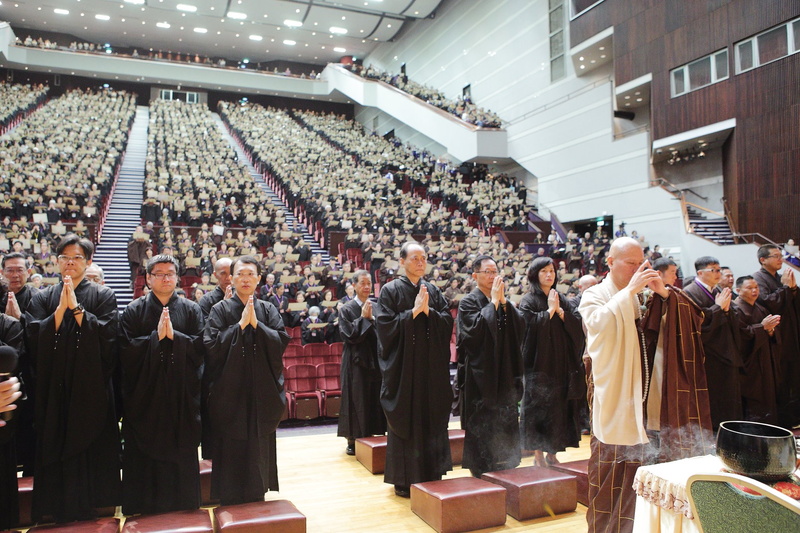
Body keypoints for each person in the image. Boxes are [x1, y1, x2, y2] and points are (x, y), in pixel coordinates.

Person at [578, 237, 712, 533]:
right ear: (610, 263)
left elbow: (689, 319)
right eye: (631, 263)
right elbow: (598, 324)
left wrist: (665, 297)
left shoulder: (645, 294)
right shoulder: (596, 294)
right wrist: (629, 293)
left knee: (649, 476)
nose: (638, 269)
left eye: (642, 263)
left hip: (651, 403)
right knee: (612, 477)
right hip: (617, 403)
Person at [25, 234, 121, 522]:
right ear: (56, 261)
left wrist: (77, 309)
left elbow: (109, 338)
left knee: (89, 440)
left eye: (77, 257)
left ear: (88, 261)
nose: (70, 262)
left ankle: (93, 506)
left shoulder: (103, 295)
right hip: (54, 387)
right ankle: (54, 508)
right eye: (65, 257)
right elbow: (31, 338)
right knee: (55, 437)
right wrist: (59, 310)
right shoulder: (42, 297)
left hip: (89, 387)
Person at [118, 255, 205, 515]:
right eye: (159, 273)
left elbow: (202, 347)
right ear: (148, 278)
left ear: (177, 277)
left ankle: (185, 506)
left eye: (170, 273)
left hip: (181, 393)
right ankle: (145, 507)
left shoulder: (191, 309)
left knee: (182, 447)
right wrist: (156, 339)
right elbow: (124, 350)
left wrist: (175, 338)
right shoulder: (134, 310)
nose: (166, 278)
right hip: (147, 395)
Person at [203, 255, 289, 505]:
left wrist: (258, 327)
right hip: (230, 392)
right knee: (231, 443)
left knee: (258, 444)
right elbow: (209, 346)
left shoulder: (268, 309)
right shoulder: (220, 309)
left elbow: (281, 341)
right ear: (231, 277)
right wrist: (240, 327)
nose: (245, 278)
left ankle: (257, 494)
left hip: (261, 390)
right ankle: (229, 498)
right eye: (240, 273)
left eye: (251, 274)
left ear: (259, 279)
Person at [375, 242, 453, 497]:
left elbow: (446, 321)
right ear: (402, 261)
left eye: (424, 258)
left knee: (431, 415)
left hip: (430, 370)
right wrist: (413, 313)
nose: (421, 262)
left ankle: (433, 473)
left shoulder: (432, 290)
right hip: (404, 370)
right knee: (407, 419)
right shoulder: (390, 290)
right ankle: (404, 478)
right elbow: (385, 327)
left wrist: (428, 311)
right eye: (415, 258)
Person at [456, 255, 523, 477]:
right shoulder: (468, 302)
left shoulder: (503, 300)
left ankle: (506, 461)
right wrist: (494, 303)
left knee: (506, 415)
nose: (493, 276)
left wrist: (503, 303)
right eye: (488, 272)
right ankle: (481, 467)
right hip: (480, 374)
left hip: (504, 371)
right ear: (475, 276)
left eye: (495, 271)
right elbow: (473, 335)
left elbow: (520, 328)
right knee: (483, 419)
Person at [519, 257, 584, 467]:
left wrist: (561, 312)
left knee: (559, 408)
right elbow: (526, 330)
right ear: (535, 274)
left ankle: (553, 451)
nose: (549, 275)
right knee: (539, 408)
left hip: (560, 363)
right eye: (544, 271)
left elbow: (576, 323)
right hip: (539, 364)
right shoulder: (528, 300)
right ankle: (538, 454)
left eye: (552, 271)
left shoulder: (560, 298)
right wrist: (548, 312)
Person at [683, 256, 743, 430]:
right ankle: (715, 432)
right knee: (715, 396)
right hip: (708, 354)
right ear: (700, 273)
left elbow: (731, 314)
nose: (718, 273)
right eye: (713, 270)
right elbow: (696, 324)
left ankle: (730, 430)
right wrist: (718, 308)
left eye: (719, 270)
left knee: (729, 395)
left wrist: (724, 310)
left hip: (726, 349)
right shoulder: (690, 292)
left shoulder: (717, 290)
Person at [337, 270, 386, 456]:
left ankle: (375, 434)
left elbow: (384, 331)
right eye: (363, 283)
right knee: (356, 397)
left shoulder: (377, 305)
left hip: (375, 358)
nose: (366, 287)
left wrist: (372, 319)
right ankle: (353, 438)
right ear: (354, 286)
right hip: (355, 361)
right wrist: (364, 319)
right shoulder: (347, 309)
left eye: (369, 283)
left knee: (375, 396)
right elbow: (349, 335)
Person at [752, 244, 800, 427]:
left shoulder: (780, 278)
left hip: (790, 333)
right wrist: (787, 289)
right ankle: (784, 418)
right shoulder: (759, 279)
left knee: (793, 377)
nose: (780, 259)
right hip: (776, 336)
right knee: (781, 378)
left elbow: (792, 302)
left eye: (781, 256)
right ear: (763, 260)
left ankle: (794, 415)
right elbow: (767, 304)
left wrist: (793, 289)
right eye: (775, 256)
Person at [733, 276, 781, 424]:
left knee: (768, 396)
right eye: (750, 288)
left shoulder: (760, 308)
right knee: (755, 400)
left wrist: (771, 331)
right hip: (749, 365)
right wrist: (763, 328)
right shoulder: (736, 309)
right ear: (738, 290)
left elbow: (769, 332)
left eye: (756, 287)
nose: (755, 291)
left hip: (765, 360)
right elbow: (740, 336)